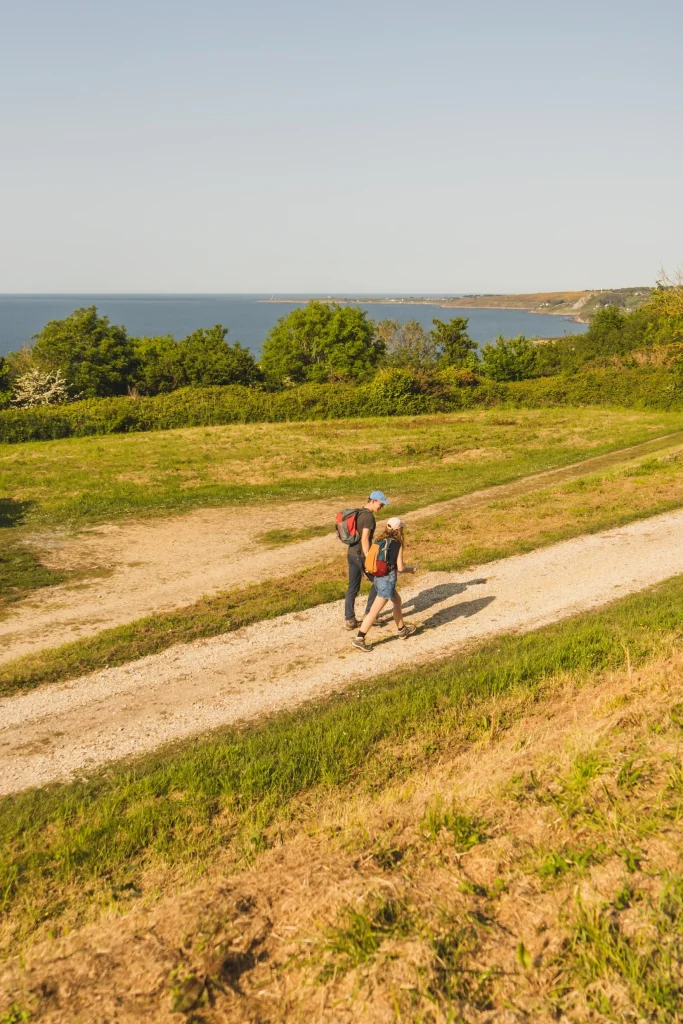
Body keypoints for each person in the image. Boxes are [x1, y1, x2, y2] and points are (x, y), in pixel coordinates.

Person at [352, 516, 417, 652]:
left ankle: (402, 630)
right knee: (374, 611)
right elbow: (400, 568)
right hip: (387, 580)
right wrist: (410, 570)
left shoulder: (379, 540)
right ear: (398, 530)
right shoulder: (397, 544)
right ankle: (359, 638)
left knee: (397, 602)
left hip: (378, 578)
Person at [344, 490, 389, 630]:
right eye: (380, 504)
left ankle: (349, 619)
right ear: (373, 501)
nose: (381, 507)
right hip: (361, 556)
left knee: (353, 587)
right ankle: (370, 614)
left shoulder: (358, 513)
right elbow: (364, 539)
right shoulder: (368, 517)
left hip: (351, 554)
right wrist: (370, 557)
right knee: (379, 581)